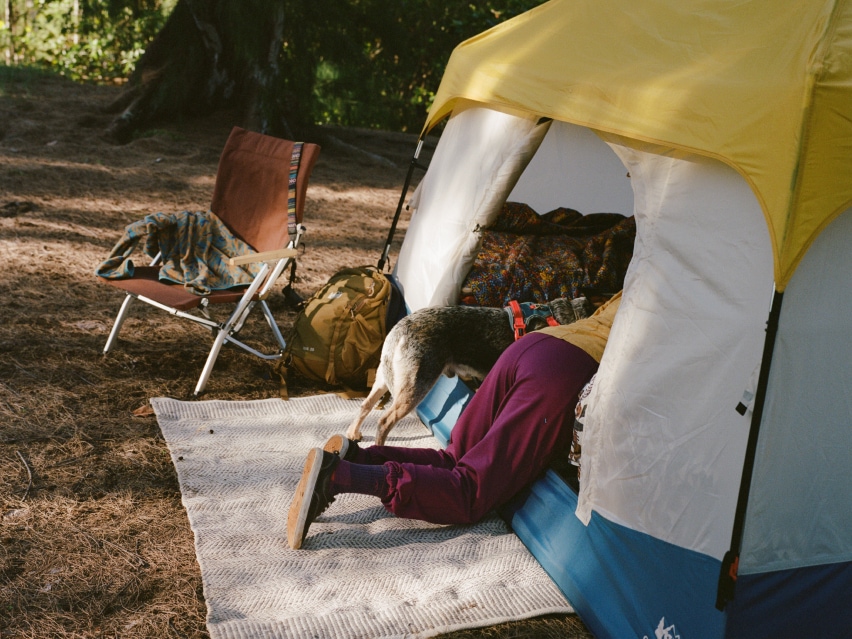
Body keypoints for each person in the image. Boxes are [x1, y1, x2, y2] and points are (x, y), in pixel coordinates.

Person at [287, 291, 623, 550]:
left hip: (534, 344)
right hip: (563, 373)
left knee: (454, 456)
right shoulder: (674, 312)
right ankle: (340, 476)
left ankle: (357, 455)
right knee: (470, 491)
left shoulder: (641, 280)